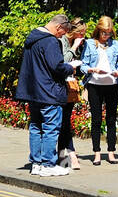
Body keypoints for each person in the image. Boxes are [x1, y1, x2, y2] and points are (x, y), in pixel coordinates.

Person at [16, 14, 81, 177]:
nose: (62, 36)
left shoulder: (33, 39)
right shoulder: (51, 41)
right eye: (63, 32)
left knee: (36, 127)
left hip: (34, 92)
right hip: (49, 92)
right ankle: (48, 164)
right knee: (51, 128)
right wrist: (70, 67)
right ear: (58, 27)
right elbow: (57, 67)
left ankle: (36, 163)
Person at [80, 16, 118, 165]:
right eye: (104, 33)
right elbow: (83, 65)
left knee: (111, 120)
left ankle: (111, 152)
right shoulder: (89, 44)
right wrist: (92, 69)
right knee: (96, 120)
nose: (106, 36)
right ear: (98, 31)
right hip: (95, 85)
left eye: (109, 33)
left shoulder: (116, 45)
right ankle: (97, 153)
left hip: (112, 85)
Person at [58, 18, 86, 170]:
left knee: (65, 122)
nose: (82, 37)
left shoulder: (74, 43)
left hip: (71, 85)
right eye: (81, 34)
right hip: (60, 86)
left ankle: (62, 157)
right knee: (64, 123)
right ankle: (71, 155)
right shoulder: (62, 41)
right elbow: (61, 61)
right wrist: (74, 47)